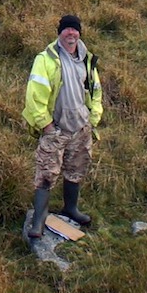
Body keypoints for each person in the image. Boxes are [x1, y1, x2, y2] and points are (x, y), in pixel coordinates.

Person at [22, 15, 104, 240]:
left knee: (76, 169)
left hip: (81, 129)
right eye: (67, 29)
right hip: (55, 130)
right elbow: (35, 96)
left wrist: (92, 119)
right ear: (60, 33)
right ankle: (38, 220)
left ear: (79, 33)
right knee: (46, 174)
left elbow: (96, 91)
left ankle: (71, 208)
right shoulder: (46, 59)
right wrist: (46, 126)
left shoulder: (87, 59)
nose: (71, 33)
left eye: (75, 30)